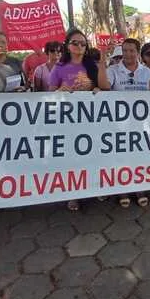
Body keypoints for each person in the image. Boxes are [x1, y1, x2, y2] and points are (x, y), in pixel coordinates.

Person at [49, 29, 108, 210]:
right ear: (67, 46)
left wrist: (98, 89)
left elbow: (104, 88)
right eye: (75, 43)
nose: (79, 47)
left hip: (92, 120)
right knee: (72, 157)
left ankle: (95, 187)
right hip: (68, 120)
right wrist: (59, 92)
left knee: (94, 154)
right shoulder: (59, 68)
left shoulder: (92, 66)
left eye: (83, 44)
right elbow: (49, 93)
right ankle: (73, 193)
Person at [107, 38, 150, 208]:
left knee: (139, 154)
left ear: (138, 53)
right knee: (121, 156)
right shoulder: (113, 70)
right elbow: (105, 88)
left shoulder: (145, 71)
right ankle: (123, 190)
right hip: (120, 122)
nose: (128, 54)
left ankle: (139, 188)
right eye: (125, 50)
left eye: (132, 50)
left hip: (141, 121)